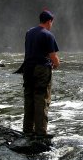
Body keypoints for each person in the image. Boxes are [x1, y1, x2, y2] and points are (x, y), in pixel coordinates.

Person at [22, 10, 60, 138]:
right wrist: (56, 64)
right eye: (52, 22)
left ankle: (27, 130)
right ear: (49, 21)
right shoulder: (48, 35)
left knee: (29, 98)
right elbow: (53, 57)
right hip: (41, 69)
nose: (52, 25)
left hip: (27, 68)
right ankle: (40, 132)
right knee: (41, 99)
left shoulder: (29, 32)